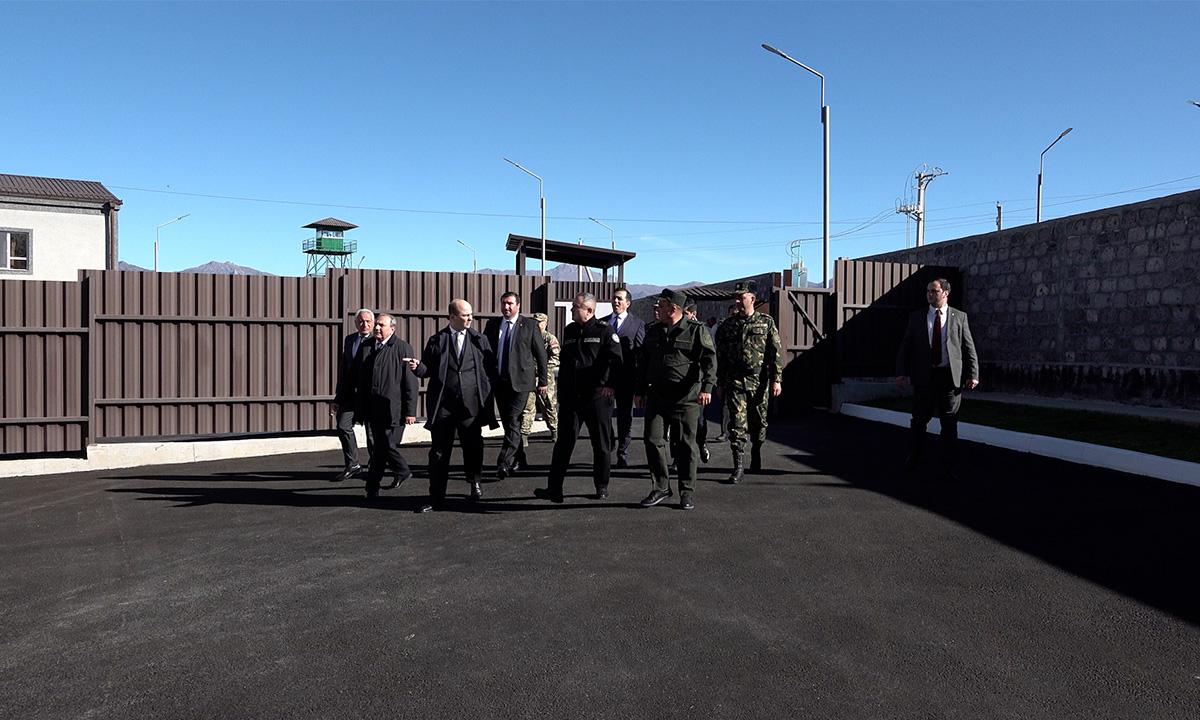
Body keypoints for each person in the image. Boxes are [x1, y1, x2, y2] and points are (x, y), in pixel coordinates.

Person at [534, 293, 622, 503]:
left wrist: (610, 384)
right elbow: (566, 363)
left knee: (601, 444)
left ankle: (601, 485)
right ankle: (554, 489)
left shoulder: (604, 331)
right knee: (563, 444)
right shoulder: (570, 331)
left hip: (596, 397)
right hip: (572, 398)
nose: (572, 310)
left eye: (576, 307)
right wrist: (562, 392)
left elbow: (617, 361)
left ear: (589, 310)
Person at [635, 289, 717, 511]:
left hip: (685, 398)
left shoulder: (696, 330)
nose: (656, 310)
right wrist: (639, 391)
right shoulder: (653, 331)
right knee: (652, 440)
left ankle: (686, 491)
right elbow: (643, 363)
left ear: (672, 309)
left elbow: (709, 360)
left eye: (660, 307)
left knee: (685, 446)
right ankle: (661, 487)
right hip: (656, 397)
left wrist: (707, 388)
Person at [415, 299, 499, 511]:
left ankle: (475, 481)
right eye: (465, 315)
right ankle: (436, 498)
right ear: (452, 317)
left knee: (473, 447)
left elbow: (490, 369)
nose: (470, 318)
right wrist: (417, 367)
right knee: (439, 452)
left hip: (470, 405)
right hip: (444, 406)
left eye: (471, 314)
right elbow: (427, 370)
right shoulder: (437, 340)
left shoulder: (479, 340)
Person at [895, 278, 979, 481]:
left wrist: (973, 374)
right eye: (928, 291)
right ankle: (915, 454)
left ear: (945, 293)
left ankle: (948, 465)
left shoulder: (959, 317)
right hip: (925, 376)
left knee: (949, 423)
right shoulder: (917, 317)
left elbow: (968, 347)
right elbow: (906, 346)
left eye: (934, 291)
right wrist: (901, 372)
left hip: (949, 378)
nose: (930, 294)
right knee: (919, 420)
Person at [715, 281, 783, 484]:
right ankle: (738, 466)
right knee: (736, 425)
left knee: (759, 424)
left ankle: (756, 450)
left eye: (741, 297)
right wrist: (720, 383)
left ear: (752, 299)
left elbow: (776, 352)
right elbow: (721, 357)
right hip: (735, 381)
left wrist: (776, 379)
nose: (737, 301)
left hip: (758, 381)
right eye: (736, 297)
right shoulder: (728, 326)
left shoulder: (766, 322)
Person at [483, 291, 548, 479]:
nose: (506, 307)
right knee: (510, 423)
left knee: (512, 419)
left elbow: (541, 355)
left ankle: (503, 462)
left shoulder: (529, 325)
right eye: (504, 303)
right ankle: (520, 457)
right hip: (500, 382)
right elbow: (486, 352)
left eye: (510, 303)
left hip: (522, 383)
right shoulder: (493, 325)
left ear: (518, 305)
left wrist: (543, 381)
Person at [357, 314, 419, 500]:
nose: (376, 328)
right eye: (376, 324)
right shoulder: (367, 347)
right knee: (383, 446)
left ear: (392, 329)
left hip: (392, 409)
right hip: (372, 408)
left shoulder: (402, 348)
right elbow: (356, 375)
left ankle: (372, 487)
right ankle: (402, 470)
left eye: (381, 325)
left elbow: (410, 383)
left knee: (380, 449)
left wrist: (410, 411)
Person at [600, 287, 645, 469]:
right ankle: (610, 441)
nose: (616, 301)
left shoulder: (637, 324)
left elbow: (641, 354)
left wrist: (640, 383)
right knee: (604, 415)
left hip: (626, 380)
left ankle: (622, 454)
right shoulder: (603, 323)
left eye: (620, 299)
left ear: (628, 303)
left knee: (624, 418)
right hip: (605, 380)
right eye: (614, 298)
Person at [330, 308, 375, 481]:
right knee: (343, 425)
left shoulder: (377, 341)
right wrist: (338, 397)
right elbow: (345, 370)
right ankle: (353, 464)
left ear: (373, 323)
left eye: (368, 321)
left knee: (372, 434)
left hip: (369, 395)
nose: (365, 324)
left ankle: (375, 466)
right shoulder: (350, 340)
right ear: (356, 323)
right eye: (361, 321)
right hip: (350, 394)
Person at [668, 302, 711, 468]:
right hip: (677, 387)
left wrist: (707, 386)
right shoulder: (675, 329)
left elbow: (709, 359)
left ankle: (701, 443)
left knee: (698, 422)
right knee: (675, 422)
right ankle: (676, 458)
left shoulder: (700, 330)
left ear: (693, 314)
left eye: (685, 314)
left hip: (695, 386)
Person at [520, 312, 560, 450]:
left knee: (548, 405)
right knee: (528, 407)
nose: (537, 325)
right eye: (535, 322)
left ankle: (554, 430)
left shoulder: (549, 338)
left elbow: (555, 358)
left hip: (545, 378)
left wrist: (542, 367)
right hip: (530, 377)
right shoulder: (528, 336)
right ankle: (524, 435)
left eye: (540, 322)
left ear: (545, 324)